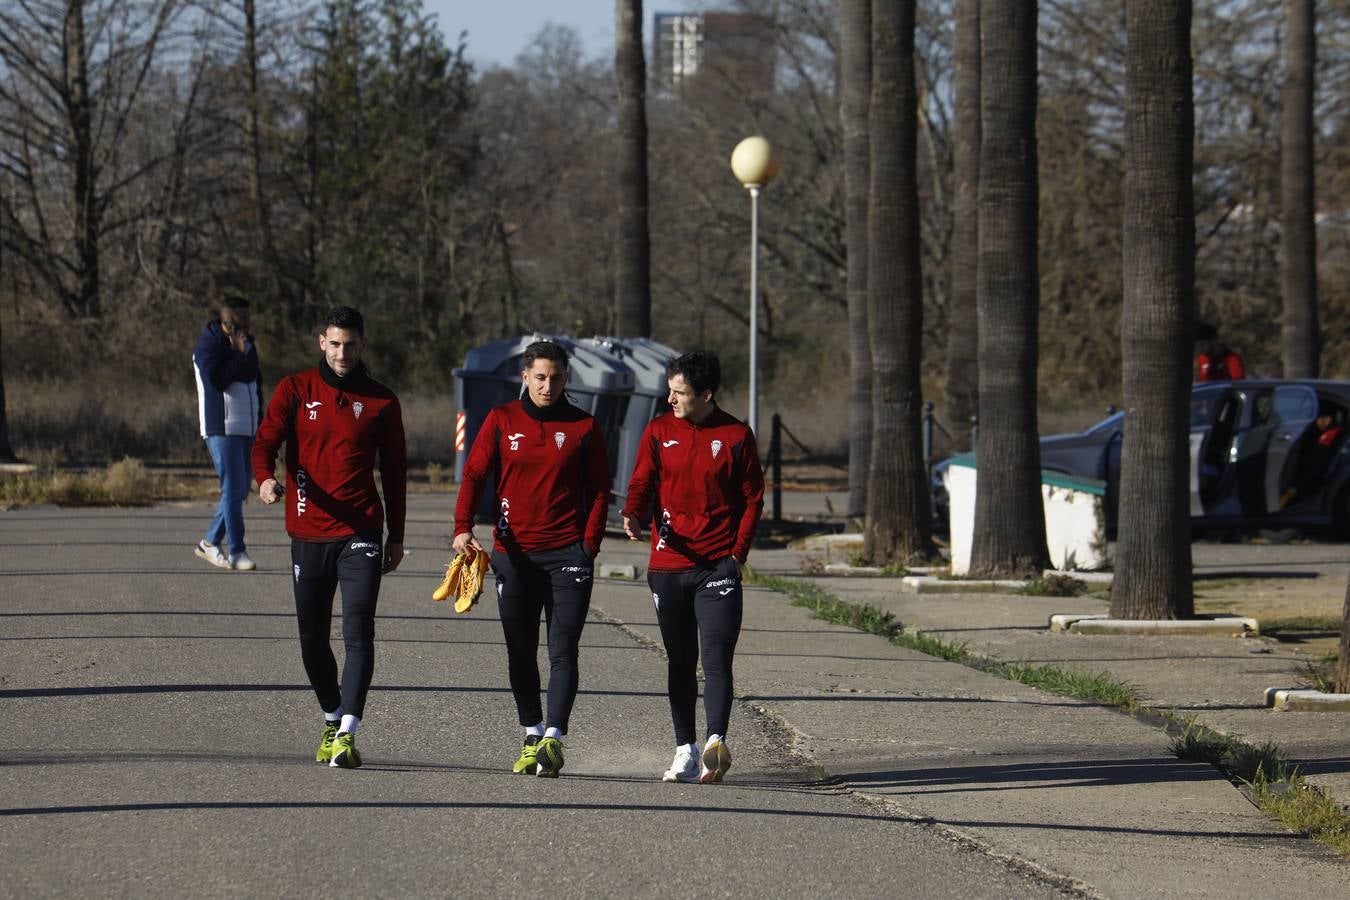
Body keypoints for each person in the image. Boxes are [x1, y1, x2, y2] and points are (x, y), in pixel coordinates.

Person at [251, 306, 407, 769]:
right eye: (335, 344)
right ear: (322, 342)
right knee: (312, 640)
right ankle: (331, 714)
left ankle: (346, 733)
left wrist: (396, 536)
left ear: (362, 345)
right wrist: (264, 478)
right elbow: (264, 443)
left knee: (358, 631)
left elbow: (395, 473)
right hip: (308, 531)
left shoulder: (381, 401)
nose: (342, 353)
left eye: (351, 345)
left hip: (361, 530)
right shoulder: (295, 390)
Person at [453, 340, 610, 778]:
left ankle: (553, 739)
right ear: (525, 376)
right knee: (520, 651)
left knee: (563, 649)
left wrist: (589, 546)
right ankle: (531, 733)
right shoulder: (502, 420)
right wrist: (463, 526)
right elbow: (474, 473)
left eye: (556, 378)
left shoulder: (584, 426)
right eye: (539, 377)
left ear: (566, 378)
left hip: (568, 556)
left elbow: (600, 490)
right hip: (513, 556)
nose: (547, 386)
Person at [621, 351, 764, 784]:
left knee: (717, 658)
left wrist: (737, 554)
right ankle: (685, 748)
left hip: (717, 567)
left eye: (679, 393)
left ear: (706, 395)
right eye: (670, 390)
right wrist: (633, 511)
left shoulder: (736, 435)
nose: (671, 399)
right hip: (668, 565)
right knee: (680, 661)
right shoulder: (658, 430)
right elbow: (642, 480)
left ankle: (716, 743)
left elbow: (753, 497)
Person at [192, 296, 263, 571]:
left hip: (248, 426)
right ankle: (237, 551)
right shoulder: (208, 345)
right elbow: (216, 381)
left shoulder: (247, 343)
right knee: (233, 489)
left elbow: (254, 383)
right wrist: (238, 354)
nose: (246, 324)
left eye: (248, 318)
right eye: (241, 319)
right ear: (226, 320)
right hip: (221, 427)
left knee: (241, 489)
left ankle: (209, 542)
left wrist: (262, 423)